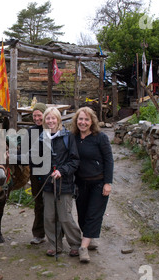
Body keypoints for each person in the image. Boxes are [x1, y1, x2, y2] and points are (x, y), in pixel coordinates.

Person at [71, 107, 114, 263]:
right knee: (82, 215)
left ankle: (83, 248)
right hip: (80, 183)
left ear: (92, 121)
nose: (83, 122)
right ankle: (89, 237)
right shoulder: (73, 138)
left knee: (93, 214)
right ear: (76, 121)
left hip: (98, 182)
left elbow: (109, 160)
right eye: (80, 119)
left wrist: (107, 183)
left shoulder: (100, 138)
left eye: (86, 119)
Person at [40, 107, 81, 258]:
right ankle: (54, 244)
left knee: (65, 216)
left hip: (64, 183)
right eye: (48, 119)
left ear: (58, 120)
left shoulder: (68, 137)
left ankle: (75, 244)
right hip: (47, 183)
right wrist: (11, 155)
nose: (50, 121)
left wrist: (61, 171)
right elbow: (32, 156)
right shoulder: (42, 137)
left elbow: (75, 160)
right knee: (49, 216)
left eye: (53, 118)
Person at [27, 103, 47, 245]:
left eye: (39, 115)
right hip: (35, 172)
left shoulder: (51, 129)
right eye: (34, 115)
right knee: (38, 203)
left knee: (54, 203)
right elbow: (24, 151)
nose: (37, 118)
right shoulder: (30, 131)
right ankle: (39, 233)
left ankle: (57, 234)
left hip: (51, 172)